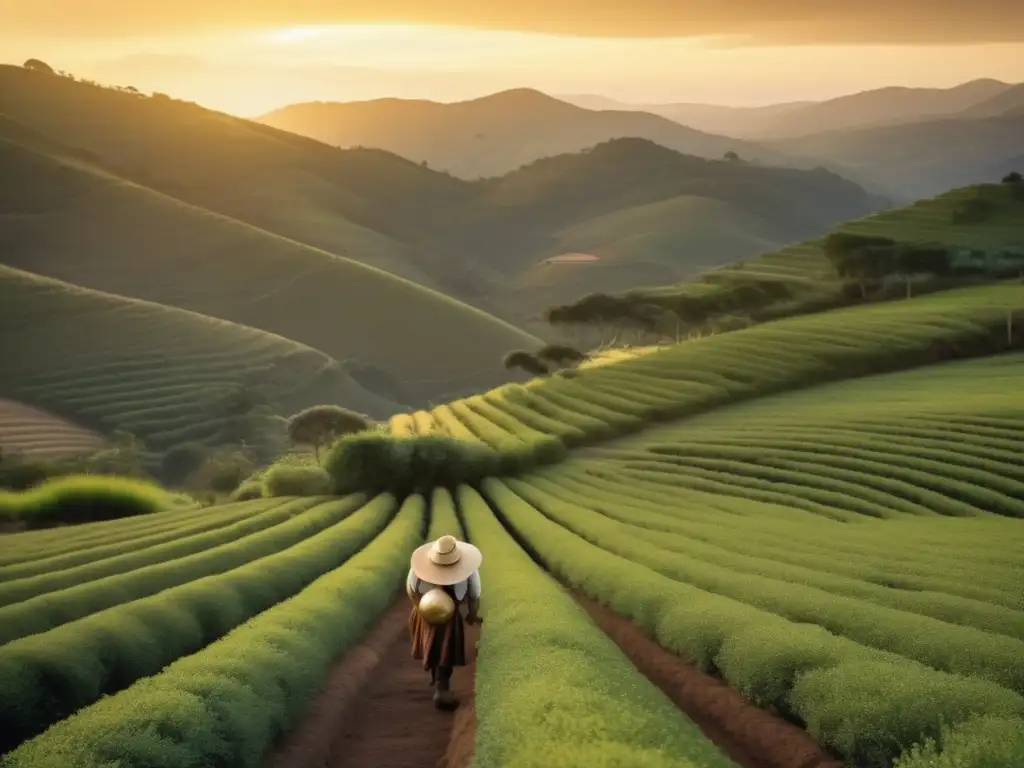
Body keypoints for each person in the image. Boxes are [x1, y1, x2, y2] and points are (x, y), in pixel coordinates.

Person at [407, 534, 482, 710]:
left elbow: (411, 590)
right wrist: (472, 615)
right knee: (445, 650)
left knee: (432, 645)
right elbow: (474, 596)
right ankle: (442, 687)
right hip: (449, 614)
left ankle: (438, 682)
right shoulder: (469, 571)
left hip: (425, 610)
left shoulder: (417, 567)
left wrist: (419, 607)